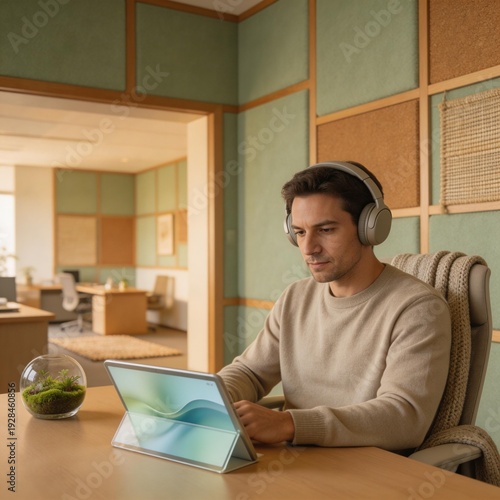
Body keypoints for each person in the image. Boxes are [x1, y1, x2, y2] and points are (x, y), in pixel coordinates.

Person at [218, 161, 451, 452]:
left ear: (371, 227)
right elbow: (250, 373)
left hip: (370, 471)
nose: (308, 248)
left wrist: (290, 424)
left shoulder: (417, 308)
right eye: (300, 232)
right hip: (295, 461)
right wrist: (214, 397)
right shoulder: (295, 298)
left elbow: (404, 417)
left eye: (325, 229)